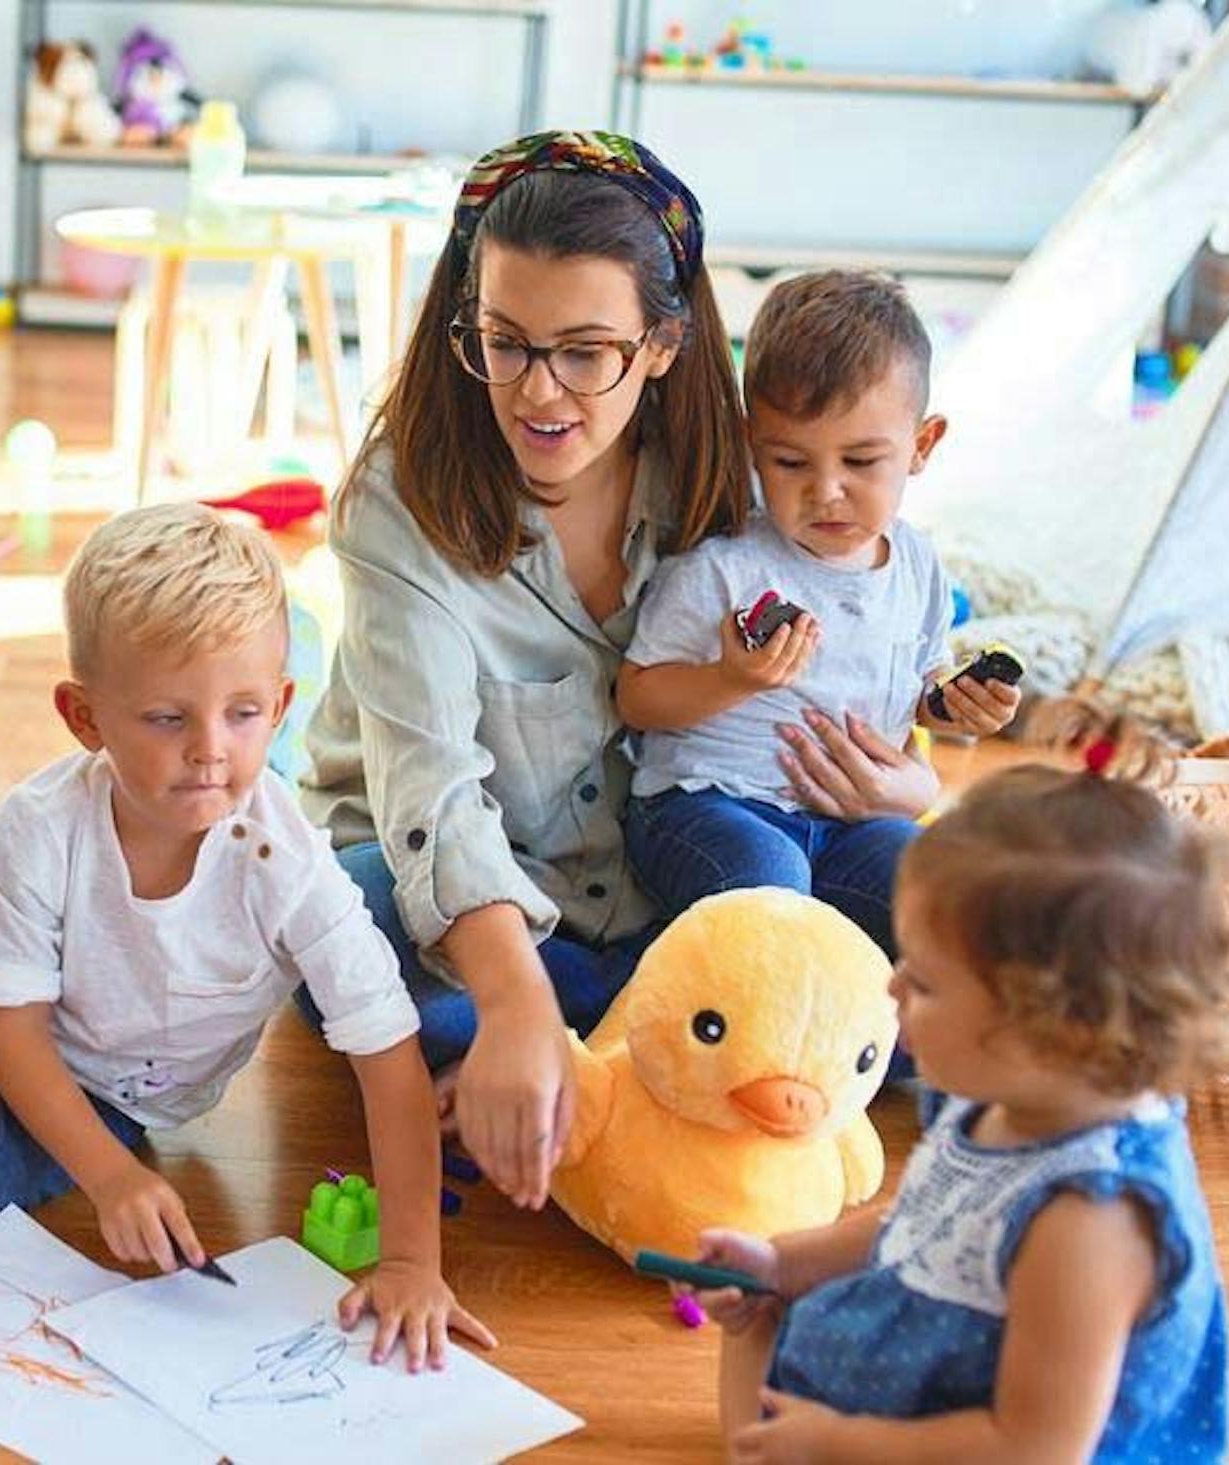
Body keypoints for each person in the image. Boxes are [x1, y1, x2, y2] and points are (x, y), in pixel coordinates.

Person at [301, 131, 940, 1210]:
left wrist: (912, 785)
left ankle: (612, 1054)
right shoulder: (397, 502)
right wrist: (511, 1010)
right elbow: (430, 797)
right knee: (354, 948)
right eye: (504, 342)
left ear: (661, 345)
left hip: (653, 874)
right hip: (452, 887)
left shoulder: (742, 472)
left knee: (924, 971)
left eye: (586, 351)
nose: (539, 394)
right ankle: (611, 1050)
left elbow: (863, 645)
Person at [0, 504, 492, 1370]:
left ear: (281, 704)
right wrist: (109, 1177)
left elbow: (388, 1055)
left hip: (115, 1089)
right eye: (168, 720)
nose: (211, 751)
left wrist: (410, 1261)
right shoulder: (39, 826)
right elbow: (10, 1026)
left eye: (243, 713)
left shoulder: (289, 866)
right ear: (84, 717)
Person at [691, 763, 1229, 1463]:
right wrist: (779, 1261)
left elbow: (1032, 1449)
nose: (891, 985)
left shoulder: (1089, 1219)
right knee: (762, 1326)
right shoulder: (1011, 1094)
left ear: (1049, 1026)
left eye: (921, 979)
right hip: (943, 1366)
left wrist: (843, 1443)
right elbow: (923, 1221)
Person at [618, 269, 1020, 955]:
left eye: (862, 461)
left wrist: (954, 704)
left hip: (850, 823)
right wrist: (732, 679)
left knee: (937, 893)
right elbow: (636, 697)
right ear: (753, 445)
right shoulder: (727, 565)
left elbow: (913, 687)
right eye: (790, 462)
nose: (827, 491)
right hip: (707, 804)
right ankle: (633, 984)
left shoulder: (917, 566)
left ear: (922, 446)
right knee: (770, 884)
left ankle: (884, 1045)